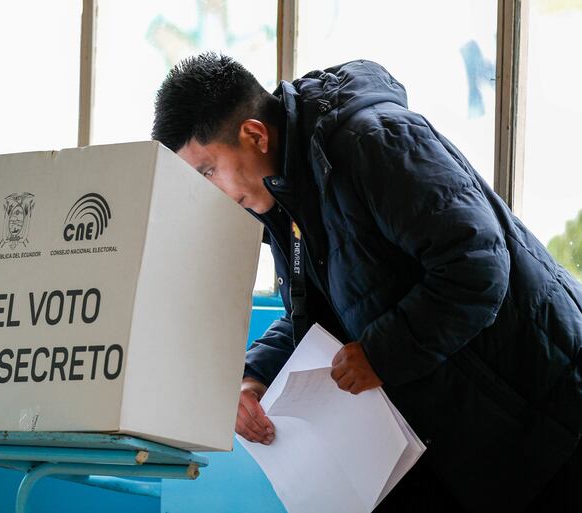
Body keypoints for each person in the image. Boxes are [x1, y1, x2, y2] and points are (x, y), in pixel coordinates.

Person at [151, 53, 582, 513]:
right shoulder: (285, 195)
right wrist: (255, 374)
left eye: (207, 171)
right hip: (488, 441)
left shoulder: (374, 140)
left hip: (549, 414)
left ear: (254, 134)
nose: (208, 192)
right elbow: (329, 311)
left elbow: (475, 266)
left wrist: (381, 353)